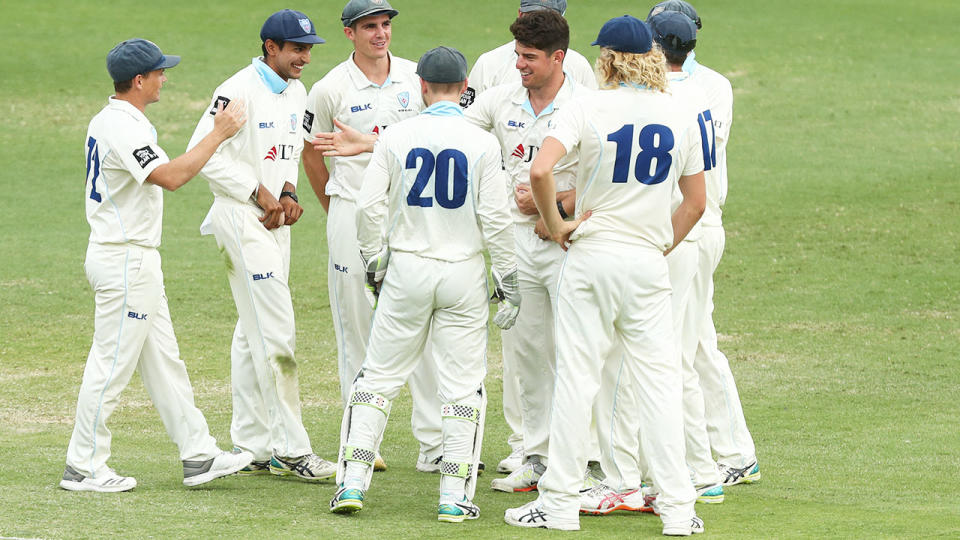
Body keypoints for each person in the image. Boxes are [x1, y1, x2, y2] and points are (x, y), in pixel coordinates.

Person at [503, 16, 706, 535]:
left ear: (610, 58)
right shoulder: (680, 112)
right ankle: (680, 512)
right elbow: (696, 202)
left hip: (592, 258)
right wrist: (660, 245)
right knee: (658, 385)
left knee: (576, 381)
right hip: (644, 262)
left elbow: (541, 171)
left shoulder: (586, 105)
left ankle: (559, 507)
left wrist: (558, 226)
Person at [327, 46, 518, 523]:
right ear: (465, 91)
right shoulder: (482, 143)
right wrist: (508, 277)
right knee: (462, 387)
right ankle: (454, 496)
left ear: (421, 88)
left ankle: (351, 483)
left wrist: (374, 261)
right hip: (463, 273)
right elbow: (496, 219)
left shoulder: (396, 135)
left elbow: (368, 207)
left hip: (407, 269)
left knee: (377, 378)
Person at [62, 38, 253, 492]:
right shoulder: (123, 126)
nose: (166, 77)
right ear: (139, 80)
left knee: (165, 362)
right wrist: (218, 134)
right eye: (160, 72)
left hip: (132, 259)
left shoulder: (113, 120)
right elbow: (170, 178)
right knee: (109, 365)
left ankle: (199, 454)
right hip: (125, 260)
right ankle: (83, 466)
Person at [578, 11, 723, 518]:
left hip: (645, 240)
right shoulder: (702, 92)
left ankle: (623, 480)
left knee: (624, 368)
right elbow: (697, 197)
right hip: (683, 235)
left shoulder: (631, 104)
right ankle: (698, 476)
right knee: (678, 360)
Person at [187, 9, 336, 482]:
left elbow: (289, 149)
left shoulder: (296, 91)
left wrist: (288, 191)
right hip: (240, 219)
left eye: (308, 48)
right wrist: (258, 192)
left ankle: (252, 444)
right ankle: (292, 449)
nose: (305, 57)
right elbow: (206, 156)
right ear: (270, 46)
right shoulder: (236, 91)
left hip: (275, 222)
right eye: (297, 49)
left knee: (251, 330)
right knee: (275, 329)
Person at [302, 0, 443, 473]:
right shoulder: (329, 89)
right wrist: (338, 208)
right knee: (357, 326)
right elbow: (313, 156)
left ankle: (435, 444)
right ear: (349, 33)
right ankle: (361, 442)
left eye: (385, 25)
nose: (380, 34)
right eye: (370, 27)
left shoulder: (415, 77)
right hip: (351, 210)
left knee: (419, 319)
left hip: (408, 213)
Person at [460, 0, 595, 475]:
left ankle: (586, 457)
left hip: (568, 245)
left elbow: (610, 178)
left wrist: (556, 205)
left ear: (557, 58)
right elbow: (457, 140)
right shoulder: (499, 99)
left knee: (576, 350)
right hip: (515, 247)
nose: (518, 65)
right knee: (526, 355)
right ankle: (536, 456)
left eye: (529, 57)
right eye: (518, 54)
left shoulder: (586, 104)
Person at [648, 0, 760, 486]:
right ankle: (734, 452)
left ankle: (698, 466)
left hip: (681, 225)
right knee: (697, 343)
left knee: (673, 351)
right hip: (701, 222)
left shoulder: (674, 93)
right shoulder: (715, 84)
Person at [462, 0, 597, 110]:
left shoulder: (579, 66)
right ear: (520, 15)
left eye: (548, 19)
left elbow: (594, 117)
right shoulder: (488, 63)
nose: (539, 26)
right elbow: (469, 121)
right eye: (533, 16)